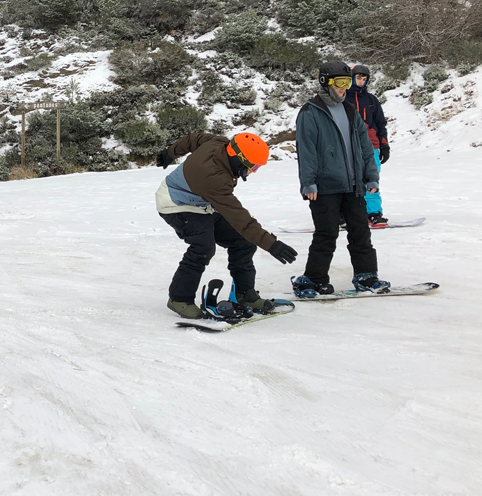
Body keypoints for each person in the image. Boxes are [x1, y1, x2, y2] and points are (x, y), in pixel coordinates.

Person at [155, 132, 298, 319]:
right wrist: (272, 244)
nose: (253, 171)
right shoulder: (214, 178)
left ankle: (245, 295)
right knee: (203, 247)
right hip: (175, 203)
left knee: (243, 242)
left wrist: (170, 153)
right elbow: (238, 217)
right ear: (239, 159)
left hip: (203, 201)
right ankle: (179, 299)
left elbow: (192, 140)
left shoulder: (220, 143)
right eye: (253, 166)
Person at [292, 61, 389, 298]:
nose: (344, 88)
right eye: (339, 83)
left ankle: (366, 276)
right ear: (326, 83)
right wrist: (308, 182)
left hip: (353, 184)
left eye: (347, 83)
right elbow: (306, 151)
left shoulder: (349, 110)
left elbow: (365, 147)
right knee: (327, 234)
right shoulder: (310, 112)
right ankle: (313, 280)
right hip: (324, 187)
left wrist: (371, 178)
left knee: (360, 233)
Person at [346, 64, 390, 226]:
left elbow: (380, 123)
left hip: (372, 145)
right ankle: (347, 214)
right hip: (349, 145)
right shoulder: (342, 98)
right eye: (358, 78)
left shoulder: (371, 100)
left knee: (372, 179)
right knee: (349, 181)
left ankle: (373, 212)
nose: (361, 82)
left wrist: (384, 145)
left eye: (364, 79)